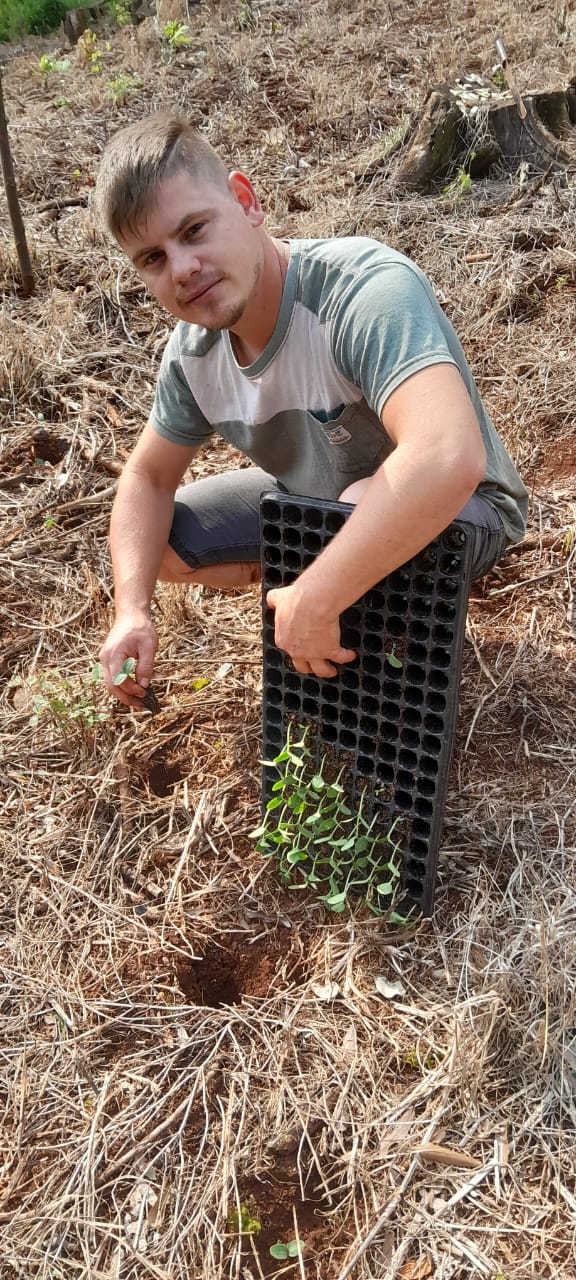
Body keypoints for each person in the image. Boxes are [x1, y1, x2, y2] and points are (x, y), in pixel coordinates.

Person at [94, 112, 527, 708]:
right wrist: (131, 610)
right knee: (161, 543)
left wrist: (319, 592)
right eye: (152, 258)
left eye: (194, 230)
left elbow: (448, 457)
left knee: (354, 506)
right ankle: (327, 584)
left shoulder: (361, 291)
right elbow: (147, 477)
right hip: (319, 500)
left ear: (245, 202)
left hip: (467, 508)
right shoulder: (194, 355)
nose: (182, 268)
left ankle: (353, 616)